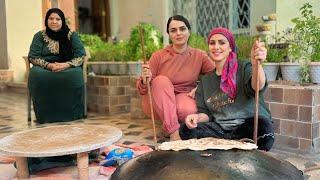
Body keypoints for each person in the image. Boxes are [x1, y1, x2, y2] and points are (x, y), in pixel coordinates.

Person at [179, 27, 274, 151]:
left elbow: (257, 87)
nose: (216, 47)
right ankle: (231, 145)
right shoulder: (205, 81)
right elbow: (206, 114)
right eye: (212, 43)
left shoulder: (244, 67)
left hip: (246, 128)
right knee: (186, 130)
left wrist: (256, 65)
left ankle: (227, 147)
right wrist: (196, 118)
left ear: (230, 48)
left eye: (222, 42)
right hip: (221, 131)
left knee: (264, 129)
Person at [137, 15, 215, 141]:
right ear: (168, 34)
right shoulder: (158, 56)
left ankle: (171, 126)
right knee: (161, 81)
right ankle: (174, 133)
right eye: (173, 30)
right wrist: (145, 79)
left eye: (182, 29)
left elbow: (215, 75)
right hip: (158, 99)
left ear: (189, 32)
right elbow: (142, 89)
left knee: (188, 111)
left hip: (184, 95)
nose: (178, 33)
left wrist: (200, 87)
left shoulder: (199, 55)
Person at [28, 8, 86, 124]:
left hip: (67, 67)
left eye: (57, 19)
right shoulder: (39, 36)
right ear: (46, 20)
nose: (54, 21)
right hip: (44, 68)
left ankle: (72, 115)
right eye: (51, 18)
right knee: (36, 74)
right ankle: (44, 116)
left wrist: (66, 65)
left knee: (75, 74)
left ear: (62, 21)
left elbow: (80, 55)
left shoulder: (71, 35)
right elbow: (33, 56)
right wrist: (48, 65)